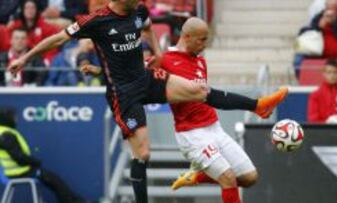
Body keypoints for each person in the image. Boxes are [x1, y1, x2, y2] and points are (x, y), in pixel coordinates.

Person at [8, 1, 288, 202]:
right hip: (123, 93)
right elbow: (57, 40)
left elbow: (148, 25)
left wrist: (157, 54)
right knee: (142, 154)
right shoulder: (95, 21)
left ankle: (257, 105)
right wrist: (24, 58)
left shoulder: (138, 9)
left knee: (198, 91)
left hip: (146, 77)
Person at [160, 17, 257, 203]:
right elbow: (135, 72)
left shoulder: (201, 62)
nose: (205, 45)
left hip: (214, 127)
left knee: (250, 177)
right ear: (186, 36)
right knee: (228, 178)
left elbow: (205, 95)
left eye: (207, 39)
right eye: (201, 40)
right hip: (191, 133)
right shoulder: (164, 60)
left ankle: (196, 177)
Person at [0, 107, 85, 203]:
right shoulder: (6, 135)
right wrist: (35, 162)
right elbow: (19, 157)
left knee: (53, 179)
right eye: (14, 117)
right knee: (54, 180)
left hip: (18, 171)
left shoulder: (3, 131)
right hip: (20, 172)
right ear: (7, 118)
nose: (16, 120)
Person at [294, 0, 337, 83]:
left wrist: (335, 24)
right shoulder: (318, 18)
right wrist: (318, 27)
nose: (331, 11)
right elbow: (303, 33)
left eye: (334, 8)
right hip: (318, 51)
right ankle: (303, 84)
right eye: (329, 8)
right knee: (298, 59)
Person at [7, 0, 61, 66]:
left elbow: (53, 46)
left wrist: (45, 62)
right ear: (23, 10)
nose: (30, 10)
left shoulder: (46, 27)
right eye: (27, 8)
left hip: (40, 63)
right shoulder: (15, 26)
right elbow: (8, 44)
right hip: (18, 60)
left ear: (37, 10)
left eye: (33, 8)